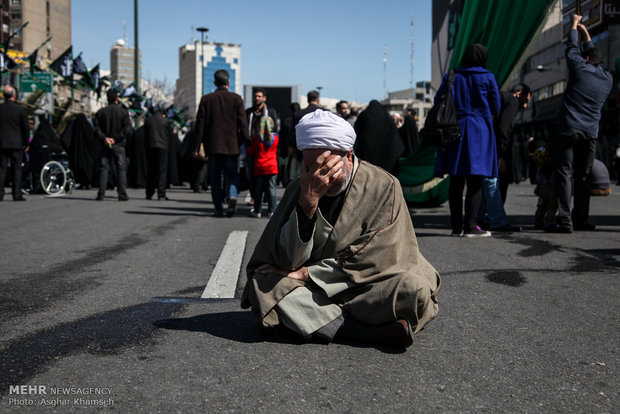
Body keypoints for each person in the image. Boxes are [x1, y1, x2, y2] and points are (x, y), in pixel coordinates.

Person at [241, 110, 440, 349]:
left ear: (348, 155)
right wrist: (308, 202)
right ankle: (361, 332)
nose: (318, 176)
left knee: (410, 289)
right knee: (262, 283)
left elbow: (383, 255)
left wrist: (308, 274)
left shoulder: (384, 185)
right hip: (315, 290)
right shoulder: (300, 188)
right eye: (309, 167)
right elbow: (285, 262)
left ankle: (320, 321)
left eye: (325, 166)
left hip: (368, 285)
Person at [550, 14, 613, 232]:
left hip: (567, 127)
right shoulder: (607, 79)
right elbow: (593, 55)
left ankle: (565, 220)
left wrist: (575, 25)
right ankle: (581, 219)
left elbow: (571, 48)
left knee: (564, 173)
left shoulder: (579, 69)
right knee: (583, 176)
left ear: (585, 60)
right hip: (590, 133)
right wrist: (586, 33)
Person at [434, 43, 501, 237]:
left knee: (456, 180)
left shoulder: (452, 76)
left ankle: (456, 227)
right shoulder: (487, 77)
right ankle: (471, 226)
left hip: (455, 130)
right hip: (480, 131)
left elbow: (439, 100)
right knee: (475, 181)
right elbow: (495, 107)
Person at [193, 69, 250, 217]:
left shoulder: (206, 99)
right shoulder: (236, 99)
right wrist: (247, 142)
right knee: (232, 174)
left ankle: (218, 207)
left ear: (214, 83)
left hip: (213, 146)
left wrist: (196, 145)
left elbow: (200, 125)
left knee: (215, 178)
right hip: (232, 146)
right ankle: (232, 195)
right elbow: (243, 124)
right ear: (228, 82)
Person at [477, 84, 531, 232]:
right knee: (491, 181)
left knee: (484, 182)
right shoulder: (512, 101)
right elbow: (504, 129)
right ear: (519, 93)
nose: (525, 105)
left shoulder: (498, 98)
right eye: (526, 100)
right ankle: (498, 221)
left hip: (481, 140)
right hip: (492, 146)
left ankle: (479, 219)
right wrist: (501, 155)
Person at [93, 89, 133, 201]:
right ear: (117, 99)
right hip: (119, 144)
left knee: (104, 168)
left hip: (104, 144)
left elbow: (96, 128)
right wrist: (115, 139)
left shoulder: (100, 112)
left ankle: (101, 194)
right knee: (121, 168)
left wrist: (105, 138)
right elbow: (127, 128)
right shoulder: (123, 112)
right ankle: (122, 194)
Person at [245, 88, 279, 205]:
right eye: (255, 96)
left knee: (266, 178)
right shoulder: (249, 112)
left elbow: (275, 130)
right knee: (252, 176)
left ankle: (264, 198)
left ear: (264, 98)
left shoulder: (271, 112)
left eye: (259, 96)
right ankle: (255, 198)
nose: (257, 98)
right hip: (252, 147)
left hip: (266, 148)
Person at [354, 100, 404, 175]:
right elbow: (397, 142)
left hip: (367, 162)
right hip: (388, 165)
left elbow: (357, 133)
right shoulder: (388, 118)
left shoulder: (364, 116)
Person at [0, 86, 29, 201]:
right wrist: (26, 143)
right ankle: (16, 194)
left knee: (1, 169)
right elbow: (25, 128)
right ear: (14, 95)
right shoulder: (19, 109)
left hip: (1, 143)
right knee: (17, 169)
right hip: (16, 144)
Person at [247, 116, 279, 218]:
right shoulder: (276, 138)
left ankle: (258, 211)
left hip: (259, 168)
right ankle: (272, 211)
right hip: (272, 167)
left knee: (258, 191)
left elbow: (250, 151)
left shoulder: (257, 139)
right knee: (272, 190)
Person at [145, 106, 172, 200]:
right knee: (162, 171)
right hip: (163, 147)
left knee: (151, 170)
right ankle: (161, 193)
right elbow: (169, 135)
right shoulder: (166, 121)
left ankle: (149, 193)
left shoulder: (148, 120)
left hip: (151, 146)